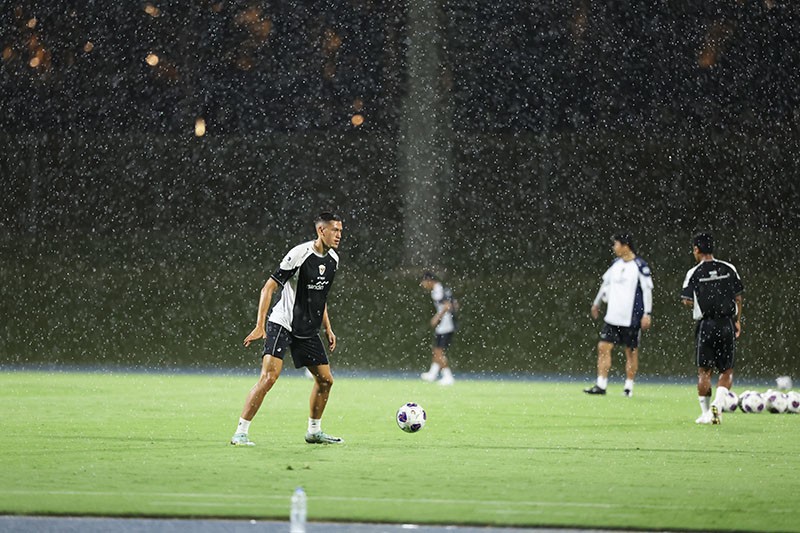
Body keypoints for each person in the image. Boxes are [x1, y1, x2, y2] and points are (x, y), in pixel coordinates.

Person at [230, 212, 344, 446]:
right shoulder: (299, 254)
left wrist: (328, 328)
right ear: (321, 231)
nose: (339, 235)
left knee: (326, 381)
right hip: (283, 324)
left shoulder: (333, 259)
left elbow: (320, 298)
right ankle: (240, 432)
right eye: (335, 230)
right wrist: (260, 325)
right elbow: (268, 288)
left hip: (308, 330)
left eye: (341, 231)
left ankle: (314, 431)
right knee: (269, 378)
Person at [680, 232, 744, 425]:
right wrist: (737, 320)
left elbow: (686, 300)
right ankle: (719, 402)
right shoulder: (729, 268)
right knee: (726, 370)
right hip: (726, 323)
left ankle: (707, 412)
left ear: (696, 250)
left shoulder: (694, 273)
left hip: (706, 325)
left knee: (704, 371)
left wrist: (702, 300)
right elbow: (738, 298)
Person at [584, 233, 653, 397]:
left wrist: (647, 313)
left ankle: (628, 387)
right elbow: (605, 284)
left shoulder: (639, 266)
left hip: (631, 318)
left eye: (616, 244)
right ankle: (601, 384)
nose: (614, 247)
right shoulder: (615, 264)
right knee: (603, 347)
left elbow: (647, 290)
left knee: (631, 351)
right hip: (612, 316)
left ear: (625, 245)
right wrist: (596, 302)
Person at [419, 271, 456, 386]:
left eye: (424, 281)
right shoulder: (442, 288)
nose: (423, 284)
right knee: (436, 349)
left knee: (439, 351)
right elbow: (454, 303)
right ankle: (433, 373)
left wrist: (437, 317)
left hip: (446, 324)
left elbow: (447, 305)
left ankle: (448, 376)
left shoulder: (438, 290)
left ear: (429, 280)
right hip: (446, 324)